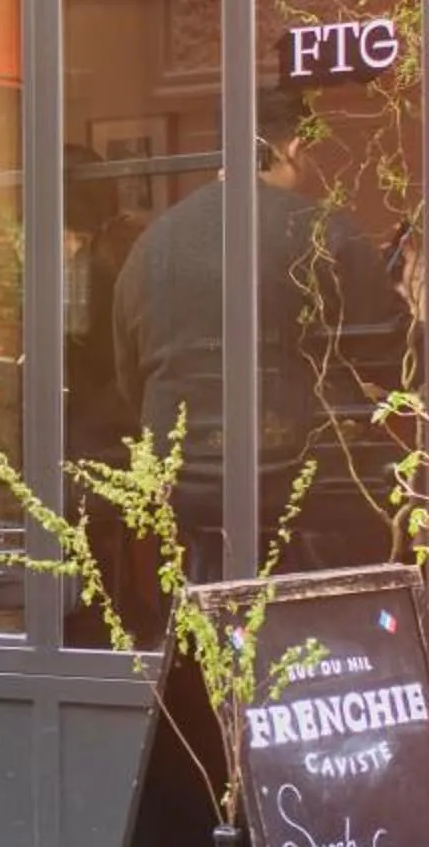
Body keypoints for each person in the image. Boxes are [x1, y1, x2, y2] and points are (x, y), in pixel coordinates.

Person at [109, 85, 409, 582]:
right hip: (302, 487)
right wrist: (415, 304)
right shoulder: (324, 231)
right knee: (413, 489)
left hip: (182, 491)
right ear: (292, 147)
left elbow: (130, 381)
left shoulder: (150, 244)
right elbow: (395, 363)